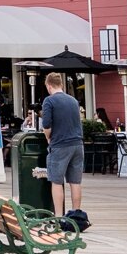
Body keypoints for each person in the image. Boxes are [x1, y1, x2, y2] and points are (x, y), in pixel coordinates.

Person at [40, 71, 88, 228]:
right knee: (75, 181)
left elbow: (46, 125)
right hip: (77, 144)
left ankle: (59, 217)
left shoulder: (49, 101)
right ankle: (76, 214)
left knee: (56, 181)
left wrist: (48, 137)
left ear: (48, 85)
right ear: (60, 84)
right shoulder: (73, 101)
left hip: (60, 144)